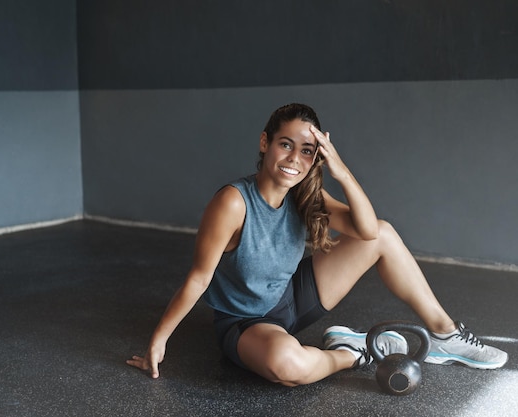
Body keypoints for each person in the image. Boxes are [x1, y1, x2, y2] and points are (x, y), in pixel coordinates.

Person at [127, 103, 508, 386]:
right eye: (285, 145)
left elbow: (368, 230)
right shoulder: (233, 203)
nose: (295, 159)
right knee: (288, 367)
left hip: (292, 298)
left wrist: (341, 170)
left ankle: (446, 335)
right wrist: (158, 342)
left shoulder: (303, 194)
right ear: (265, 142)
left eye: (307, 151)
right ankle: (353, 353)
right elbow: (198, 278)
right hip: (246, 323)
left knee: (384, 233)